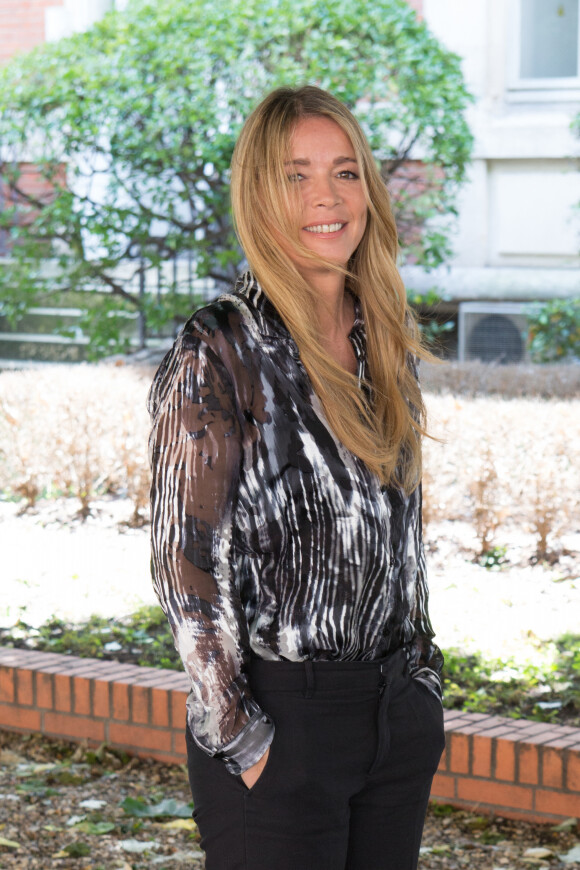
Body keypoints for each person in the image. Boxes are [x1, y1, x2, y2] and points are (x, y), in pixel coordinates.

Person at [147, 85, 445, 870]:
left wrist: (422, 681)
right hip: (280, 726)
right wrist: (239, 735)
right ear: (259, 195)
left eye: (346, 173)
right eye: (296, 175)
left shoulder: (381, 340)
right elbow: (184, 562)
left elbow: (401, 534)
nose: (327, 197)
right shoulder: (221, 347)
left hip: (392, 716)